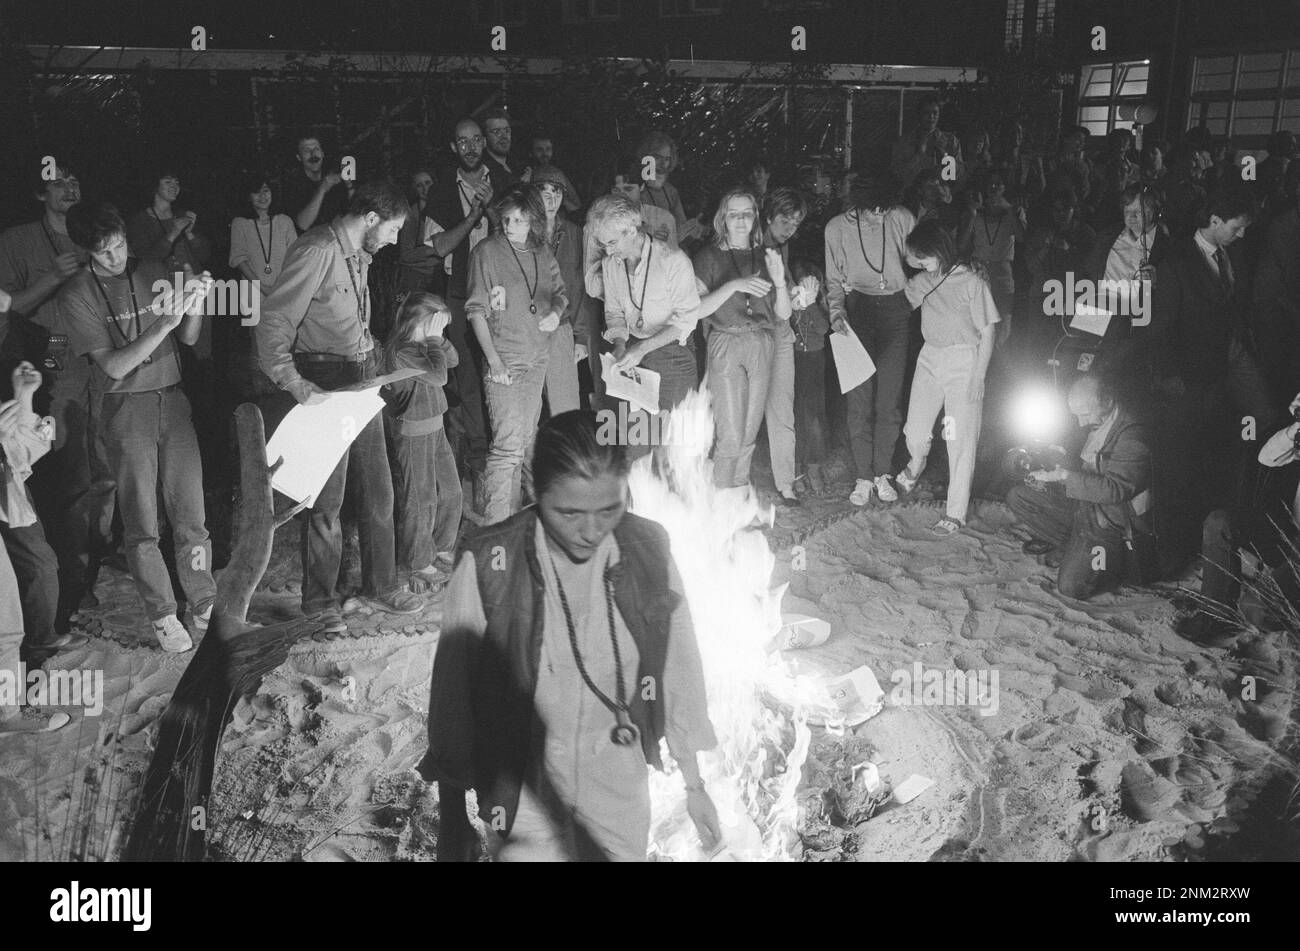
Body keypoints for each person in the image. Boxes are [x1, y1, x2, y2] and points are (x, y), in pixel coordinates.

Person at [418, 409, 720, 862]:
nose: (592, 531)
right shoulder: (490, 563)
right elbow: (453, 699)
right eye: (570, 512)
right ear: (536, 495)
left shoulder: (649, 552)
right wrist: (453, 820)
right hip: (523, 791)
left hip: (619, 784)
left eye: (609, 509)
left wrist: (695, 786)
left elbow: (679, 670)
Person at [256, 181, 423, 635]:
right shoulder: (314, 251)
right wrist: (296, 384)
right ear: (370, 219)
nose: (392, 240)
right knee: (327, 503)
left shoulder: (357, 254)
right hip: (323, 380)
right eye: (391, 230)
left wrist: (370, 350)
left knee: (379, 491)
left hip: (358, 377)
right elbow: (273, 323)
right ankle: (319, 604)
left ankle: (381, 585)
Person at [62, 201, 217, 651]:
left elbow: (187, 337)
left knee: (192, 512)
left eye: (119, 245)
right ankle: (163, 614)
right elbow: (113, 365)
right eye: (105, 252)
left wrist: (195, 303)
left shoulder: (152, 268)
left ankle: (203, 600)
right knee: (142, 521)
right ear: (87, 251)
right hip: (124, 407)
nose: (116, 256)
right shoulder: (78, 294)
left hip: (173, 396)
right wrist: (162, 323)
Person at [0, 161, 113, 633]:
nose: (69, 188)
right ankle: (64, 587)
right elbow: (9, 305)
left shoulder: (92, 232)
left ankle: (90, 576)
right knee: (66, 479)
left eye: (74, 180)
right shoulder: (18, 239)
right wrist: (51, 278)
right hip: (50, 359)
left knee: (104, 473)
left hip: (102, 361)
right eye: (58, 183)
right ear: (39, 193)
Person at [1147, 185, 1259, 569]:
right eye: (1237, 227)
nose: (1241, 234)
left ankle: (1200, 545)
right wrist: (1171, 379)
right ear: (1214, 221)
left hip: (1216, 383)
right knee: (1176, 470)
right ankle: (1171, 553)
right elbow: (1160, 330)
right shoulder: (1175, 261)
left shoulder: (1227, 255)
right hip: (1183, 386)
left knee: (1203, 465)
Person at [466, 185, 567, 525]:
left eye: (519, 220)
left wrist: (555, 311)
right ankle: (497, 531)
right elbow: (476, 311)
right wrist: (493, 360)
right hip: (504, 359)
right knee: (507, 448)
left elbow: (560, 294)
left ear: (533, 221)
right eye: (506, 219)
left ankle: (528, 522)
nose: (511, 226)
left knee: (526, 442)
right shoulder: (486, 252)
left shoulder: (542, 252)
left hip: (537, 358)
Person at [895, 220, 999, 536]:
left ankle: (954, 514)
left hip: (963, 360)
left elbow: (988, 330)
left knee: (960, 439)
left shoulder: (972, 282)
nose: (917, 264)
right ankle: (916, 462)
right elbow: (895, 301)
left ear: (937, 252)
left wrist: (978, 376)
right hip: (930, 356)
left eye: (922, 258)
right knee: (915, 429)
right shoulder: (925, 280)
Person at [1006, 375, 1153, 599]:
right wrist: (1050, 473)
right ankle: (1074, 547)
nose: (1081, 422)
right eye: (1076, 415)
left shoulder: (1132, 437)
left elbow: (1114, 490)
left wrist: (1063, 475)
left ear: (1109, 401)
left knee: (1072, 587)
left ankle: (1108, 564)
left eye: (1085, 415)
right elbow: (1079, 465)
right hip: (1083, 507)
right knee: (1019, 497)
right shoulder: (1095, 420)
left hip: (1109, 523)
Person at [427, 117, 506, 504]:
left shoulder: (504, 181)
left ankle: (506, 445)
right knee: (468, 372)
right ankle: (479, 452)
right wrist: (474, 214)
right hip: (459, 292)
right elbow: (439, 246)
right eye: (464, 141)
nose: (472, 147)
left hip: (499, 294)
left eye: (477, 140)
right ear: (454, 147)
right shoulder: (442, 189)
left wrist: (490, 207)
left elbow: (515, 233)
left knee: (501, 363)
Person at [586, 193, 702, 456]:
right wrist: (619, 344)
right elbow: (614, 313)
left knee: (672, 445)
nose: (609, 250)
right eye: (603, 244)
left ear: (632, 230)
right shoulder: (610, 265)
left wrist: (642, 349)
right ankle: (637, 496)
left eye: (612, 242)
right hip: (632, 356)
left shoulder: (673, 260)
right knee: (635, 444)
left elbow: (687, 320)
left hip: (674, 357)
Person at [825, 172, 916, 506]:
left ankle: (882, 472)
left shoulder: (902, 217)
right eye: (873, 209)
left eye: (885, 208)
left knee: (888, 402)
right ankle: (863, 475)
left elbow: (922, 261)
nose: (880, 214)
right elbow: (833, 278)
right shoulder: (836, 228)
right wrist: (837, 313)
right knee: (859, 400)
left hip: (896, 311)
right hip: (857, 311)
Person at [694, 188, 792, 492]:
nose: (740, 220)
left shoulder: (766, 256)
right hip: (726, 341)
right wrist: (735, 285)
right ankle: (718, 503)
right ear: (723, 218)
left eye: (746, 213)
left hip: (762, 341)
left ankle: (735, 501)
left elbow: (783, 314)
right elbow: (696, 310)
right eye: (733, 214)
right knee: (731, 435)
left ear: (755, 218)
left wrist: (779, 283)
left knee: (749, 433)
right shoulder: (708, 256)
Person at [0, 359, 87, 664]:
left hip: (7, 488)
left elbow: (24, 450)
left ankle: (40, 644)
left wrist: (23, 397)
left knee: (40, 565)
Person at [382, 292, 460, 593]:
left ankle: (440, 546)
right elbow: (440, 376)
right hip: (413, 431)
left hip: (435, 426)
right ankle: (418, 560)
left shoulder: (424, 345)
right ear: (420, 321)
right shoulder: (402, 351)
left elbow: (453, 359)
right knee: (421, 498)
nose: (439, 330)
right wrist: (433, 339)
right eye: (436, 324)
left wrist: (437, 338)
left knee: (452, 491)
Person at [760, 187, 808, 506]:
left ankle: (785, 481)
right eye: (785, 222)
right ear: (768, 217)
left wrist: (801, 293)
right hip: (750, 337)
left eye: (795, 224)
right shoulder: (747, 246)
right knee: (738, 414)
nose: (790, 229)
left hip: (780, 335)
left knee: (781, 409)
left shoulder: (783, 245)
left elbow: (788, 286)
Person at [533, 166, 591, 415]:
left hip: (562, 327)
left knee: (565, 406)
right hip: (526, 329)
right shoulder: (519, 232)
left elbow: (580, 287)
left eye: (556, 191)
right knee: (528, 410)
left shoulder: (575, 234)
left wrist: (581, 336)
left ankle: (565, 454)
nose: (550, 198)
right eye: (543, 191)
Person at [958, 169, 1025, 343]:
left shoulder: (1014, 211)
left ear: (1004, 187)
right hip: (979, 269)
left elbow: (1022, 237)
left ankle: (998, 360)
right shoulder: (976, 211)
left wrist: (1009, 209)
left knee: (1003, 323)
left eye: (998, 185)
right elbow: (962, 244)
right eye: (990, 185)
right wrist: (972, 213)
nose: (993, 188)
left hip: (1003, 273)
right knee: (977, 321)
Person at [789, 259, 831, 496]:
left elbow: (823, 329)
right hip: (791, 360)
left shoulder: (818, 303)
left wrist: (811, 303)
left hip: (814, 361)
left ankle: (813, 467)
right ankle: (795, 468)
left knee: (814, 416)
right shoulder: (789, 302)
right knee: (792, 414)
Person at [125, 169, 210, 280]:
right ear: (155, 185)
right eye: (168, 182)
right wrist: (172, 234)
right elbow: (145, 262)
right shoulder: (141, 221)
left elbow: (204, 256)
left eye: (177, 182)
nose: (174, 187)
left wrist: (190, 234)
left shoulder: (183, 215)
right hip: (165, 288)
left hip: (196, 283)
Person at [229, 173, 297, 292]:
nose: (262, 196)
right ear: (248, 196)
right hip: (253, 292)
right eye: (256, 192)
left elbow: (296, 257)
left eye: (265, 190)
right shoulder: (239, 223)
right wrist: (263, 288)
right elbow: (238, 259)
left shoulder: (285, 221)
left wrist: (283, 286)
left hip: (284, 290)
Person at [281, 135, 353, 233]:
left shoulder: (334, 177)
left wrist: (349, 186)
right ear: (299, 157)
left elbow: (351, 213)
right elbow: (303, 224)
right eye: (306, 150)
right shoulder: (292, 185)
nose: (313, 154)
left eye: (316, 149)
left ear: (322, 154)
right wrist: (322, 189)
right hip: (309, 243)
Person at [891, 95, 964, 188]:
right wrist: (917, 155)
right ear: (919, 114)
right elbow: (897, 175)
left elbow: (960, 176)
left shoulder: (951, 141)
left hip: (942, 196)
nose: (931, 117)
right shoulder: (904, 141)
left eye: (935, 113)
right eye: (926, 112)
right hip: (912, 196)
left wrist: (947, 161)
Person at [395, 168, 445, 297]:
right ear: (414, 189)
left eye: (428, 183)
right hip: (416, 276)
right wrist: (436, 248)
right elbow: (405, 255)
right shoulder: (412, 215)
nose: (425, 189)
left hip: (440, 276)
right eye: (419, 185)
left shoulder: (444, 210)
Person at [525, 132, 581, 214]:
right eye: (539, 150)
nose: (544, 154)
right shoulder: (526, 175)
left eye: (548, 149)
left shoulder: (559, 175)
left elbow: (576, 205)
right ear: (531, 153)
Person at [482, 108, 522, 183]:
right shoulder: (483, 171)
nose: (504, 136)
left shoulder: (516, 163)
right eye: (496, 132)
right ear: (485, 137)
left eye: (507, 130)